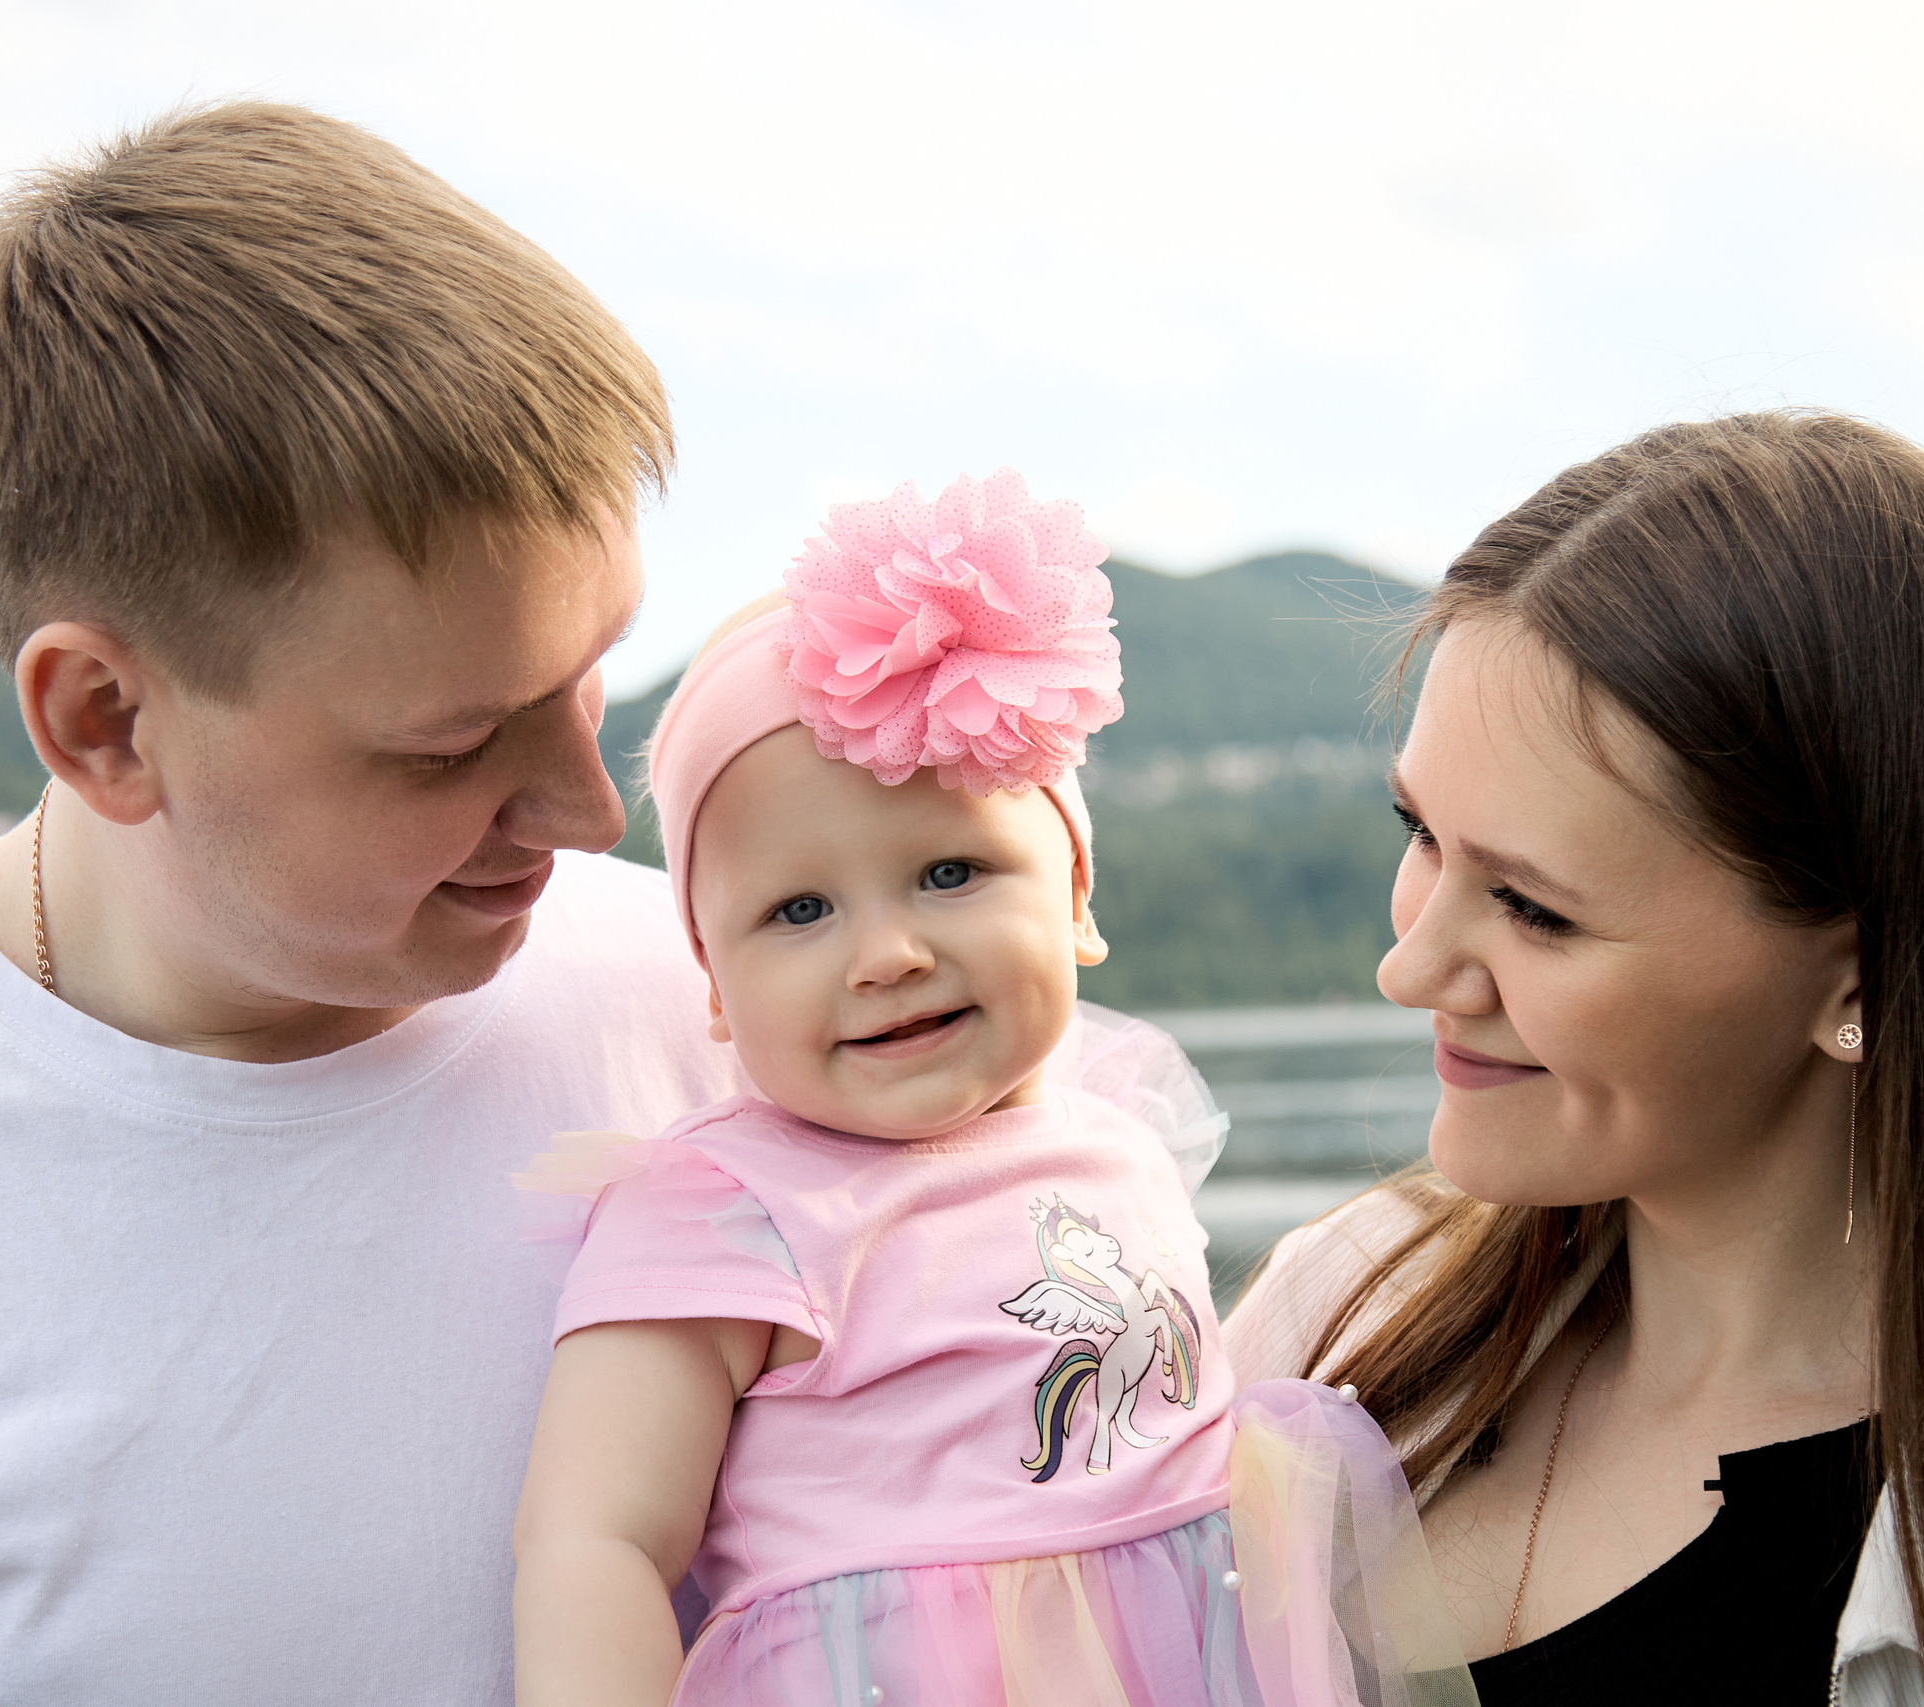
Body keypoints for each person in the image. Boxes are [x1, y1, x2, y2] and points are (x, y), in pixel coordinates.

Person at [0, 104, 738, 1702]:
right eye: (449, 743)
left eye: (592, 676)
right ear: (104, 719)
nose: (592, 814)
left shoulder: (736, 1001)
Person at [1221, 410, 1924, 1705]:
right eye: (1419, 832)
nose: (1408, 969)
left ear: (1860, 977)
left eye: (1534, 907)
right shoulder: (1334, 1316)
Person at [508, 473, 1471, 1707]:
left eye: (951, 872)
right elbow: (596, 1540)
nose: (888, 953)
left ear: (1073, 896)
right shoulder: (729, 1204)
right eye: (797, 910)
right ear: (711, 983)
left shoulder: (1119, 1133)